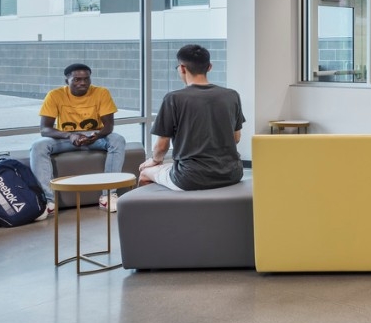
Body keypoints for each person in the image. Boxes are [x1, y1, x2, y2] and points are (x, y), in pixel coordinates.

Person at [139, 44, 245, 191]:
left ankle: (161, 212)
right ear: (209, 67)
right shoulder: (232, 95)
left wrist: (154, 161)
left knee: (145, 173)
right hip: (232, 173)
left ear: (182, 68)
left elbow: (161, 147)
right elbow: (236, 138)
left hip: (190, 177)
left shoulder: (173, 98)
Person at [31, 63, 126, 218]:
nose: (82, 83)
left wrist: (97, 135)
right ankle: (49, 202)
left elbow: (109, 126)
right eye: (76, 80)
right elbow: (45, 129)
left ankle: (108, 196)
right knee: (38, 146)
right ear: (66, 81)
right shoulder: (55, 95)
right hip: (66, 138)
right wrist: (70, 136)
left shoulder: (101, 93)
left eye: (86, 79)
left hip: (94, 137)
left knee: (117, 140)